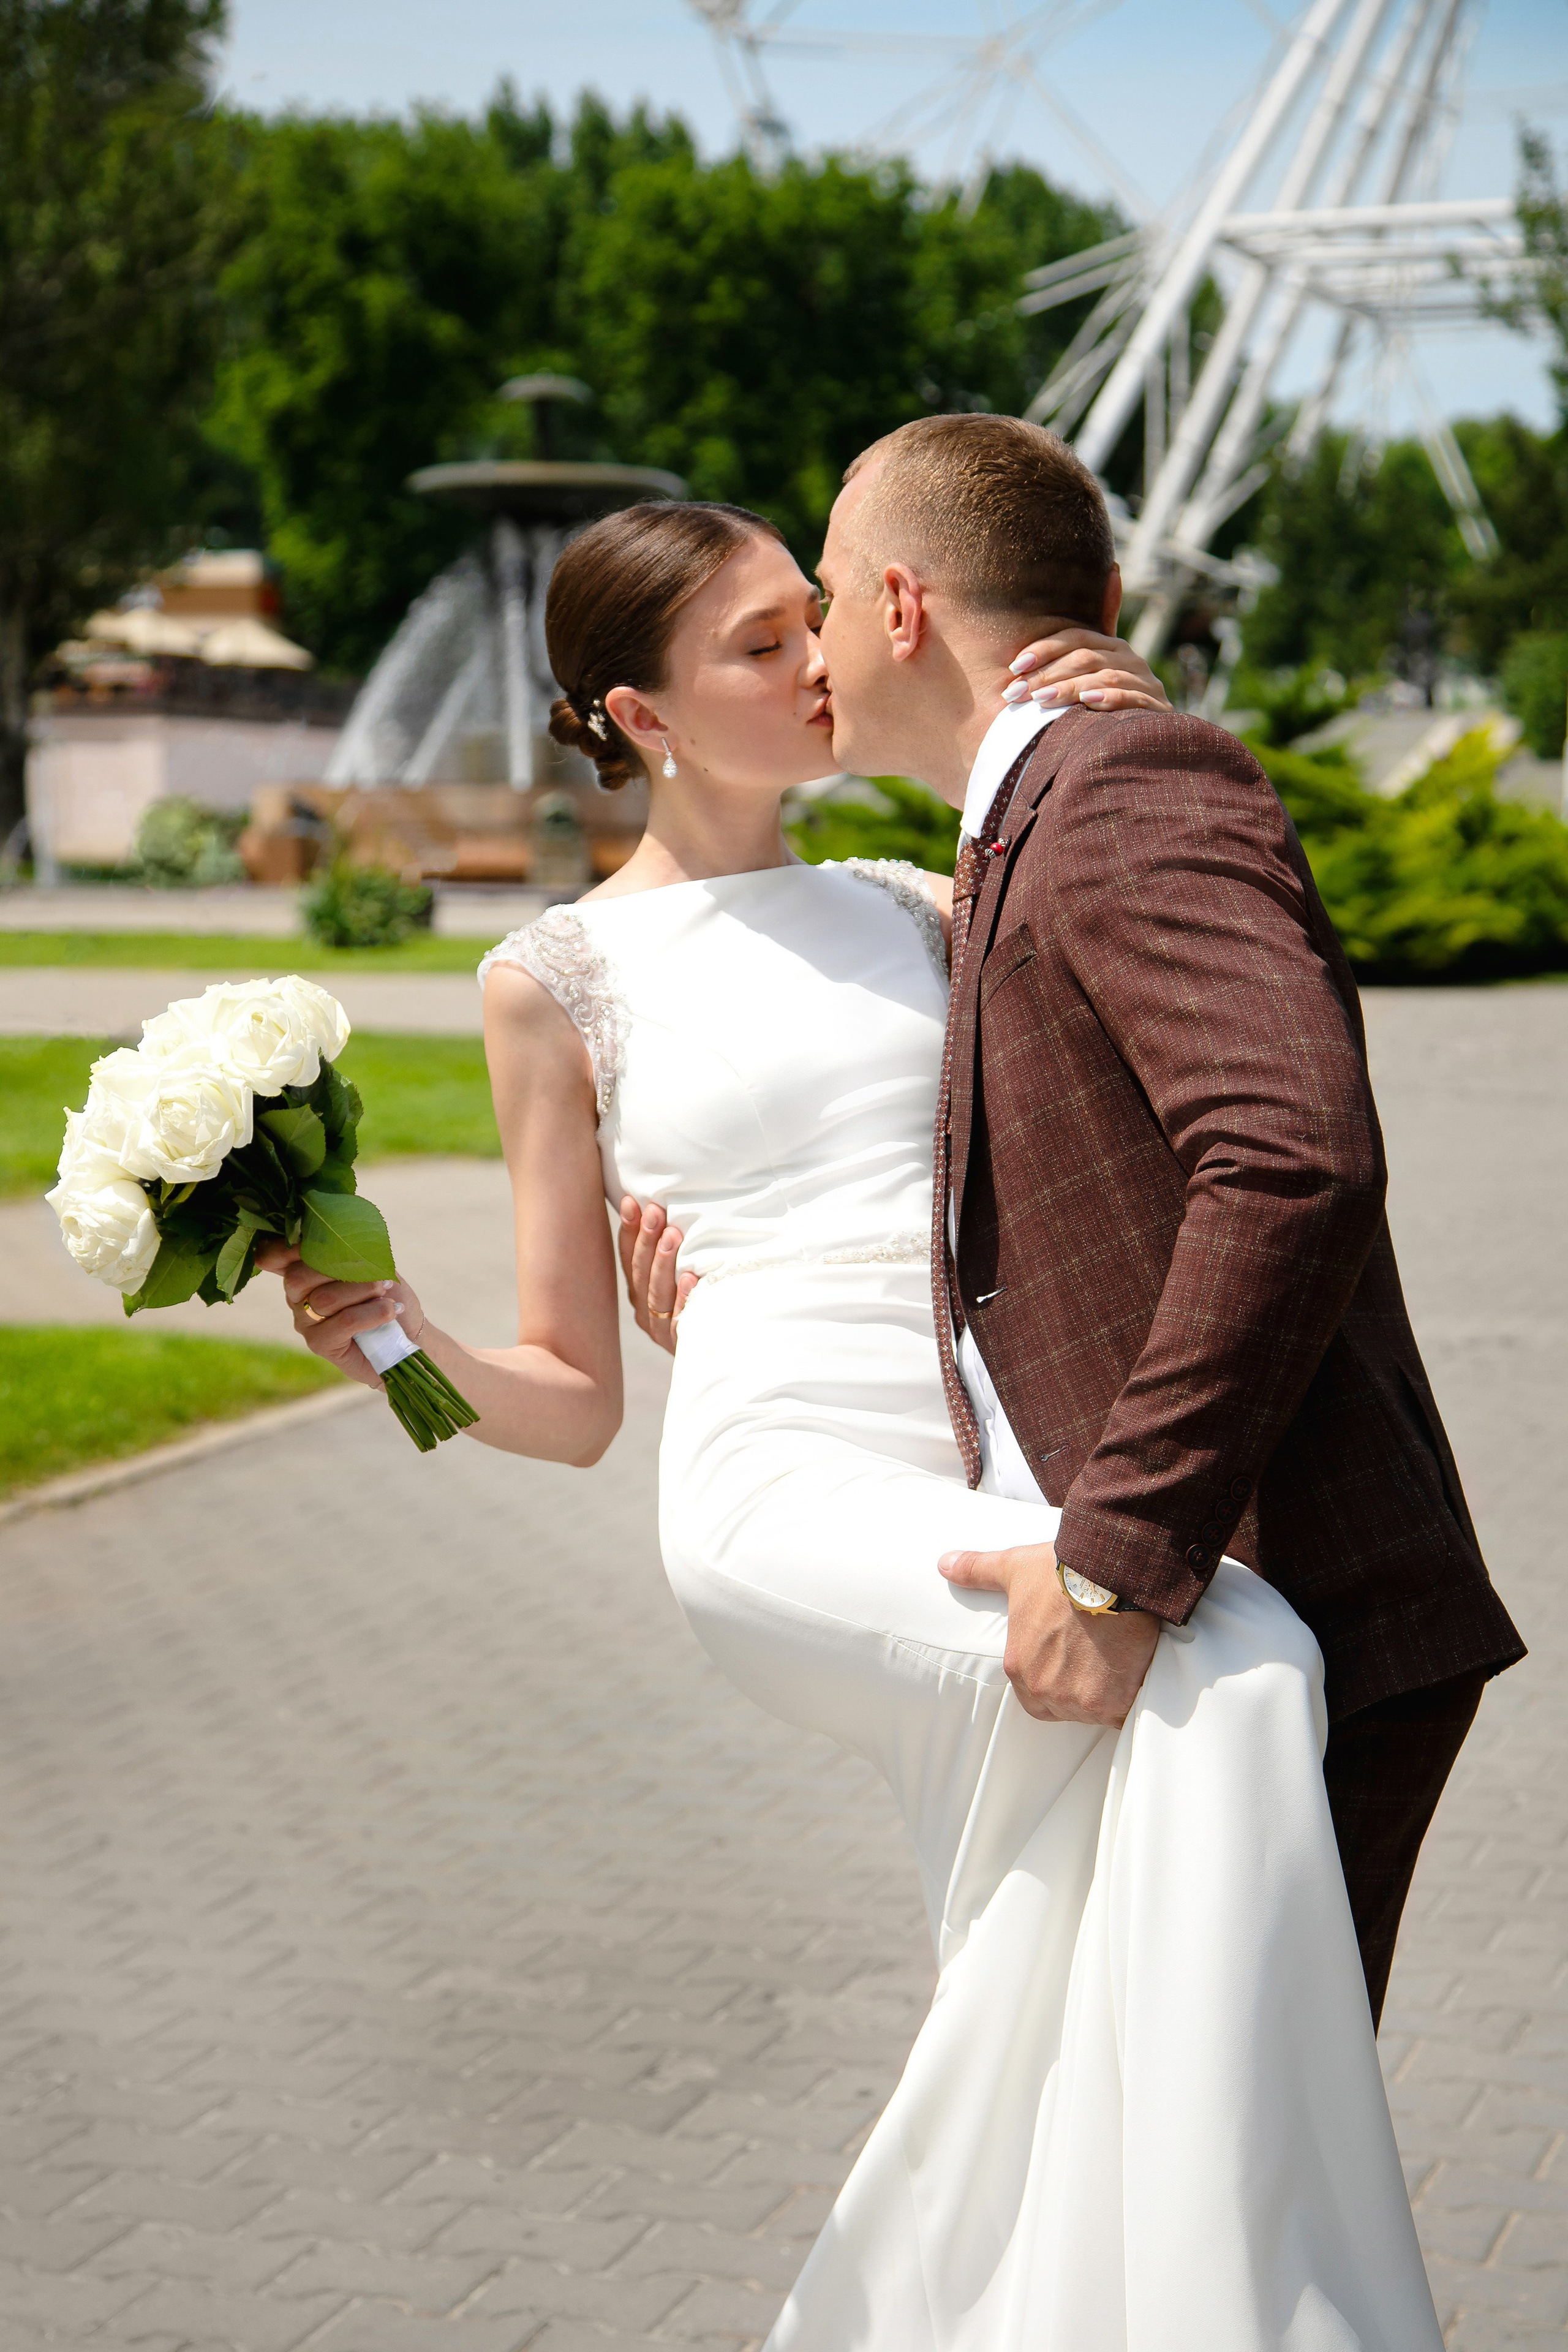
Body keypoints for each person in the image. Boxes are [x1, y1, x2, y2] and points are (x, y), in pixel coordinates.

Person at [260, 482, 1485, 2350]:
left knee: (1043, 1916)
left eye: (805, 613)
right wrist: (398, 1347)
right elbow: (577, 1397)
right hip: (780, 1492)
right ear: (643, 719)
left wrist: (1113, 705)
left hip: (992, 1458)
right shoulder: (554, 982)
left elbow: (1115, 1075)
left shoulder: (929, 896)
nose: (819, 659)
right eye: (763, 644)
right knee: (1224, 1661)